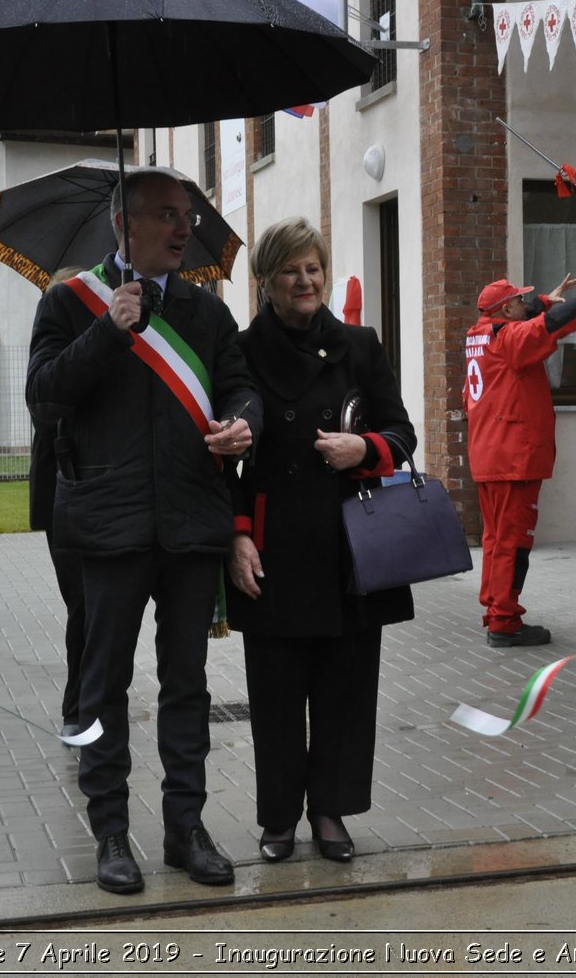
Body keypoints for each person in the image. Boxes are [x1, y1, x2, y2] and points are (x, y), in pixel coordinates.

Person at [26, 169, 258, 893]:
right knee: (103, 686)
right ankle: (112, 831)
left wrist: (245, 419)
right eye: (165, 215)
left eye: (185, 214)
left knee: (186, 684)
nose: (181, 227)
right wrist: (108, 329)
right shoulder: (70, 304)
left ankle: (186, 828)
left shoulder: (205, 311)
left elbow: (239, 382)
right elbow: (44, 399)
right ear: (123, 225)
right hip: (108, 527)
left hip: (191, 525)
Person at [224, 217, 415, 864]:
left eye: (314, 268)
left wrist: (365, 447)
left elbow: (402, 432)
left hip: (351, 547)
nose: (305, 280)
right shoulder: (244, 350)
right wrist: (238, 536)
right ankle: (278, 816)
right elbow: (230, 460)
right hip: (275, 546)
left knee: (345, 688)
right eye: (290, 269)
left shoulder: (360, 345)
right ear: (267, 281)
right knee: (275, 691)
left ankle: (329, 810)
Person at [464, 273, 576, 647]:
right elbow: (552, 326)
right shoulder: (509, 339)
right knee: (513, 539)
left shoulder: (480, 333)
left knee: (495, 539)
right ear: (506, 308)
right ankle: (505, 621)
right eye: (519, 302)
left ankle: (495, 609)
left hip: (490, 453)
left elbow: (529, 319)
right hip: (513, 456)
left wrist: (542, 300)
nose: (525, 305)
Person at [27, 267, 87, 741]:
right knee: (83, 606)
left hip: (109, 494)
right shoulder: (53, 355)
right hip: (63, 495)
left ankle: (94, 698)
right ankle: (79, 704)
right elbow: (46, 411)